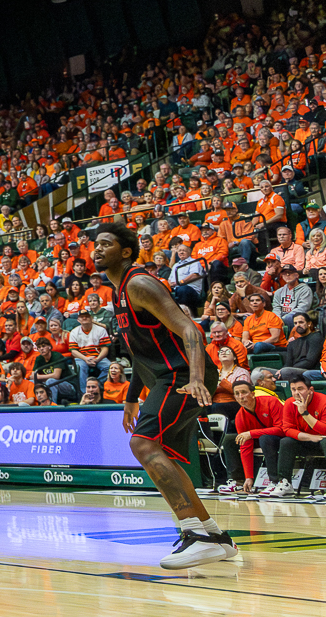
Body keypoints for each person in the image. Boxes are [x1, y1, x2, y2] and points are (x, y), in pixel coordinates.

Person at [90, 223, 237, 568]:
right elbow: (140, 353)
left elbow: (190, 328)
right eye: (94, 244)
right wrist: (131, 396)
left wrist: (198, 378)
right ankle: (214, 536)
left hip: (184, 374)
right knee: (159, 451)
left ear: (125, 252)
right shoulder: (117, 291)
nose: (96, 249)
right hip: (165, 376)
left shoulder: (139, 284)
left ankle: (196, 535)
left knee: (142, 444)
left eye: (105, 244)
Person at [219, 378, 285, 495]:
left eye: (244, 392)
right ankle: (237, 480)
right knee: (230, 440)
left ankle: (274, 482)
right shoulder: (240, 416)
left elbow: (282, 429)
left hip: (280, 438)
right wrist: (249, 477)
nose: (240, 396)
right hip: (260, 439)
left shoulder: (271, 402)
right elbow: (245, 445)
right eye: (237, 394)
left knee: (265, 438)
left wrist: (251, 433)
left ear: (253, 394)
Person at [273, 377, 326, 496]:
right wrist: (310, 437)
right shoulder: (289, 402)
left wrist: (304, 413)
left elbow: (325, 430)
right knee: (286, 441)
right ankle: (284, 483)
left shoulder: (324, 401)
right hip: (306, 440)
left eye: (300, 389)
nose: (296, 393)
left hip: (323, 441)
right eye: (293, 389)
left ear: (310, 390)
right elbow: (287, 429)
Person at [67, 308, 112, 394]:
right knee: (80, 367)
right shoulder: (74, 332)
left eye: (87, 316)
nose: (84, 318)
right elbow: (73, 351)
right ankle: (85, 392)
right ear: (78, 320)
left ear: (91, 318)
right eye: (82, 317)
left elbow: (105, 349)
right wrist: (85, 359)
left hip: (98, 357)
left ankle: (96, 385)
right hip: (82, 357)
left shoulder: (100, 330)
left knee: (109, 367)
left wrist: (97, 359)